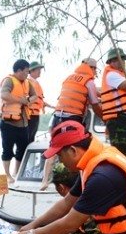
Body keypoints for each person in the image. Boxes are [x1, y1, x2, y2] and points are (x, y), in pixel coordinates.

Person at [40, 57, 102, 190]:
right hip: (72, 119)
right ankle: (79, 182)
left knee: (55, 147)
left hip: (57, 117)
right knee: (77, 150)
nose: (96, 72)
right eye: (95, 68)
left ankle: (44, 181)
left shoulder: (70, 78)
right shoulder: (88, 81)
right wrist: (106, 119)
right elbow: (95, 104)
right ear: (91, 68)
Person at [100, 48, 126, 159]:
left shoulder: (120, 75)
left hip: (123, 118)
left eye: (123, 59)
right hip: (117, 119)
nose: (123, 62)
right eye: (120, 59)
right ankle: (120, 176)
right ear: (112, 61)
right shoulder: (111, 75)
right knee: (121, 154)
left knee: (124, 152)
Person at [0, 59, 38, 183]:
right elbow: (4, 95)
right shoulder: (9, 80)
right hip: (8, 123)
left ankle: (17, 172)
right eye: (26, 71)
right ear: (19, 70)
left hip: (23, 123)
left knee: (22, 148)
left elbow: (35, 96)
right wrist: (20, 100)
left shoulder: (27, 83)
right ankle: (7, 174)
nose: (27, 74)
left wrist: (28, 101)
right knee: (7, 149)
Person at [26, 60, 52, 144]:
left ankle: (26, 155)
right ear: (32, 71)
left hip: (35, 114)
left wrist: (53, 107)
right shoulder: (27, 82)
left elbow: (39, 100)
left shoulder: (35, 83)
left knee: (31, 138)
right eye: (38, 69)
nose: (40, 71)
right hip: (29, 115)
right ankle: (23, 156)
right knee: (28, 138)